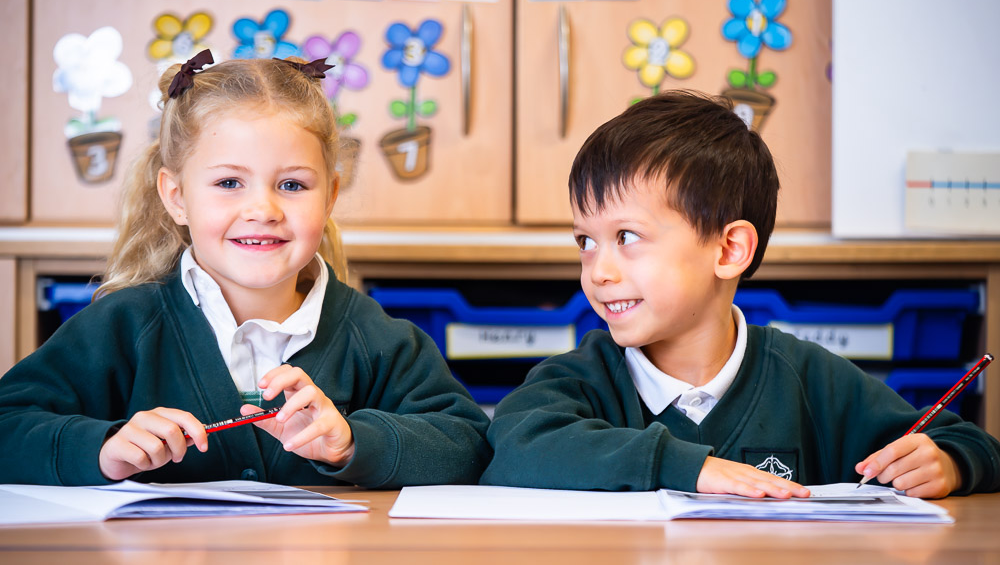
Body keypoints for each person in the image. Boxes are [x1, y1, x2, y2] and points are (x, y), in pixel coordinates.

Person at [0, 51, 491, 487]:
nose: (263, 209)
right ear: (177, 198)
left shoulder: (381, 341)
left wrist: (351, 443)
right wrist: (102, 449)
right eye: (230, 182)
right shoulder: (121, 327)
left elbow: (469, 445)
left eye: (293, 186)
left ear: (331, 197)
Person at [482, 90, 1000, 499]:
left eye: (627, 237)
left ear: (729, 249)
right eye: (586, 242)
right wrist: (690, 467)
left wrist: (949, 463)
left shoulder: (812, 381)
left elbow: (973, 444)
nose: (598, 271)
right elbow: (510, 444)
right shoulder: (582, 378)